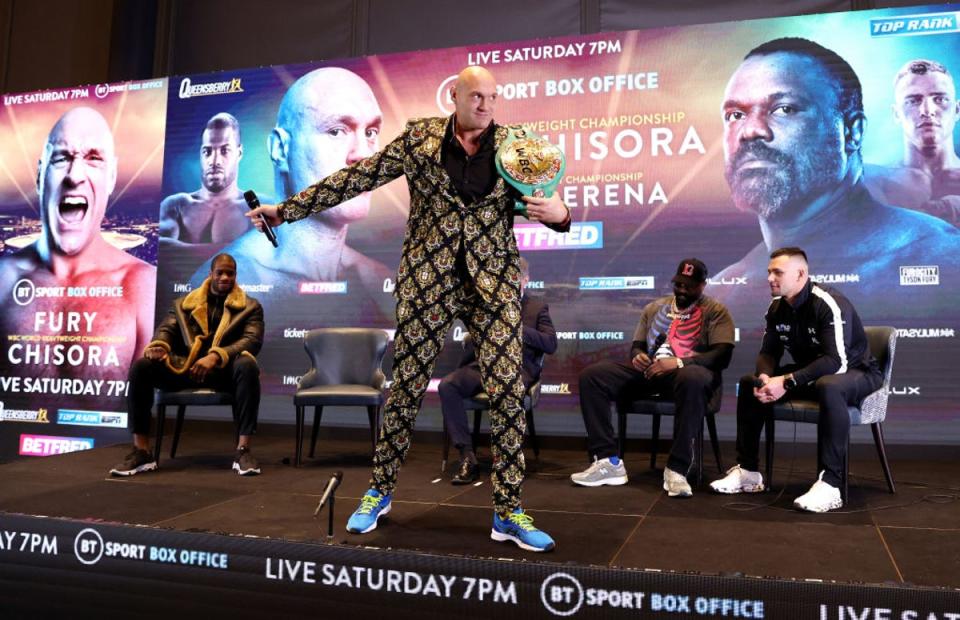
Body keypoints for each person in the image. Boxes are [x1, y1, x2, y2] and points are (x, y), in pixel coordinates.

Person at [247, 66, 571, 552]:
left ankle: (508, 511)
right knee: (406, 390)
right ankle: (378, 492)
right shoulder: (420, 139)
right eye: (476, 96)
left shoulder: (516, 146)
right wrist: (286, 209)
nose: (485, 105)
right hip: (428, 281)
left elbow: (548, 205)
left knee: (506, 394)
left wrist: (561, 214)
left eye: (493, 98)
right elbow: (355, 178)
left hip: (494, 285)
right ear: (455, 97)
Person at [714, 38, 959, 324]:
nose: (750, 131)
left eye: (785, 109)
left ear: (852, 131)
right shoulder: (723, 291)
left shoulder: (942, 259)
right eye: (735, 115)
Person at [192, 68, 392, 298]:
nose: (364, 155)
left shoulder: (379, 281)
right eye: (336, 131)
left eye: (371, 132)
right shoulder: (224, 284)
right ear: (280, 149)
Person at [710, 247, 882, 513]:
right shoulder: (777, 307)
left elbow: (835, 362)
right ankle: (748, 472)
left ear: (801, 274)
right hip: (811, 372)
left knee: (829, 385)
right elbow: (769, 351)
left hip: (856, 373)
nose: (770, 278)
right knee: (749, 383)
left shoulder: (827, 303)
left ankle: (831, 484)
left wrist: (787, 382)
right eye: (769, 272)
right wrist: (766, 377)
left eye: (778, 272)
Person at [0, 107, 155, 382]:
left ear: (112, 177)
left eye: (94, 158)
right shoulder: (3, 280)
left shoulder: (143, 287)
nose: (74, 175)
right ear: (39, 175)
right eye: (61, 158)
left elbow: (144, 408)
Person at [571, 259, 735, 498]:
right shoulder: (653, 308)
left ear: (702, 285)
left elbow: (722, 356)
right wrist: (637, 356)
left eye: (688, 286)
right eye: (678, 284)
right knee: (593, 376)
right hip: (649, 375)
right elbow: (637, 346)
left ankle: (677, 468)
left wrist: (679, 362)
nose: (681, 290)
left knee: (693, 376)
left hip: (686, 380)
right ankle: (608, 461)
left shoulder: (716, 311)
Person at [110, 254, 264, 477]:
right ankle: (141, 451)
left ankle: (243, 451)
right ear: (210, 274)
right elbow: (166, 330)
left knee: (248, 366)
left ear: (235, 276)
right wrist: (159, 346)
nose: (224, 277)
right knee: (141, 367)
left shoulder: (250, 307)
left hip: (225, 374)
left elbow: (251, 340)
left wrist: (216, 356)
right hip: (186, 370)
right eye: (220, 272)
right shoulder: (184, 304)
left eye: (229, 273)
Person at [438, 257, 557, 484]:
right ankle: (467, 457)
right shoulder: (487, 305)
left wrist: (517, 328)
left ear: (525, 280)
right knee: (448, 385)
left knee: (506, 388)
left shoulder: (536, 308)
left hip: (517, 369)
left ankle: (506, 457)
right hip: (482, 366)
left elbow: (550, 344)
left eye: (514, 279)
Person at [864, 59, 960, 226]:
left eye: (940, 99)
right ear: (896, 114)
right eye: (913, 101)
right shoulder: (873, 186)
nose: (927, 111)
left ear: (957, 110)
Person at [159, 113, 252, 260]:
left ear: (239, 153)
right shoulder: (176, 205)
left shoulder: (257, 207)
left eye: (224, 151)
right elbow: (164, 252)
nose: (214, 161)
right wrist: (241, 250)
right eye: (207, 151)